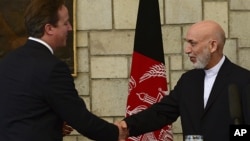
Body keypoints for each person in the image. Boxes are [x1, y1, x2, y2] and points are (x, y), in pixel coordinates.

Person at [0, 0, 127, 141]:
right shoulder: (53, 68)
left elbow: (25, 110)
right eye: (65, 23)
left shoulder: (8, 61)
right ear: (49, 28)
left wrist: (54, 121)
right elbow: (79, 118)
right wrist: (116, 133)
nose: (70, 28)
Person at [116, 20, 250, 141]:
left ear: (213, 46)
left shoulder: (243, 80)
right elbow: (162, 112)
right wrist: (128, 125)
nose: (187, 50)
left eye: (193, 43)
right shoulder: (188, 81)